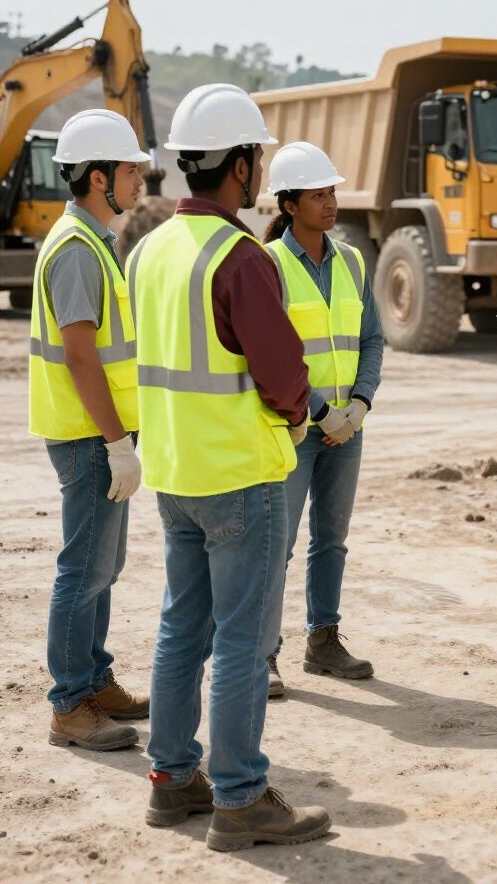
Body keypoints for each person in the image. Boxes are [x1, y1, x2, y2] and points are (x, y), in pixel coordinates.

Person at [130, 84, 330, 849]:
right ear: (243, 165)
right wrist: (301, 412)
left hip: (175, 471)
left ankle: (173, 778)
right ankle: (242, 798)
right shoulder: (240, 256)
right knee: (242, 642)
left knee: (183, 627)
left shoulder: (148, 249)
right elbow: (284, 379)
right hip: (241, 475)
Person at [29, 109, 150, 751]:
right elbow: (81, 354)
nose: (140, 178)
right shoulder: (77, 250)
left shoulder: (94, 242)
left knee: (105, 563)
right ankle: (70, 704)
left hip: (102, 433)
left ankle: (95, 680)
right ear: (100, 177)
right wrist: (115, 442)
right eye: (131, 169)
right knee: (83, 567)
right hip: (89, 437)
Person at [262, 141, 384, 696]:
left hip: (347, 429)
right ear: (289, 204)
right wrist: (322, 412)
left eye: (332, 191)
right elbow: (272, 353)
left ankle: (323, 641)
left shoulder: (354, 261)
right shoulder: (270, 264)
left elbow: (372, 340)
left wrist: (358, 407)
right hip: (294, 428)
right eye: (318, 194)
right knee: (276, 544)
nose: (331, 202)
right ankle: (262, 653)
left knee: (331, 540)